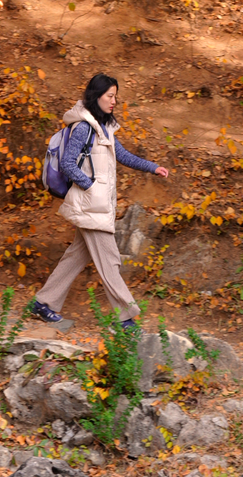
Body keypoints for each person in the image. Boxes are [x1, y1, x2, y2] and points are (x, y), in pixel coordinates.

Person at [32, 73, 168, 328]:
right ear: (97, 96)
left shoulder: (101, 127)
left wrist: (153, 167)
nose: (114, 101)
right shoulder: (84, 126)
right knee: (110, 259)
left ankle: (43, 304)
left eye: (116, 96)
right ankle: (126, 318)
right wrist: (91, 187)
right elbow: (67, 164)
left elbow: (123, 155)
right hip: (91, 204)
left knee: (75, 256)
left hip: (95, 206)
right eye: (110, 96)